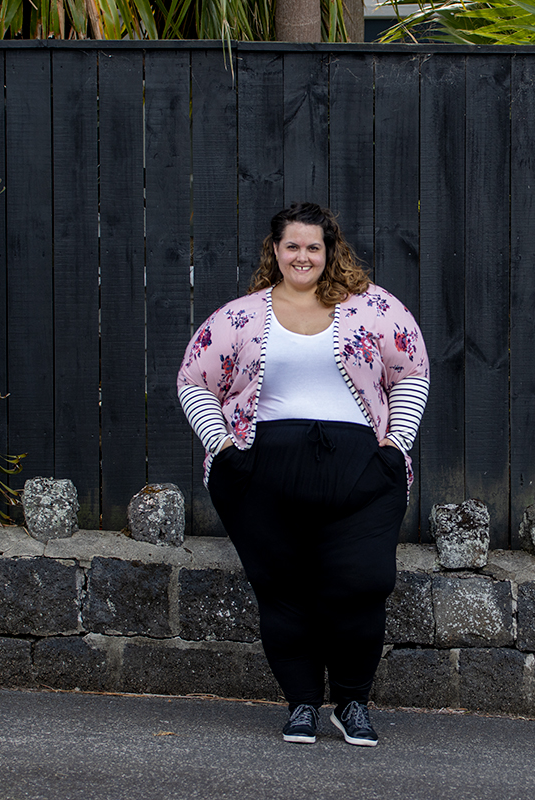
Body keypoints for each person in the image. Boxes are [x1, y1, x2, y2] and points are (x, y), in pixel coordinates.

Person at [177, 202, 429, 747]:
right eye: (292, 246)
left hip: (363, 472)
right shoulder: (240, 316)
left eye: (313, 246)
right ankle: (302, 705)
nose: (303, 256)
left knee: (364, 583)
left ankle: (352, 701)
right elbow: (192, 380)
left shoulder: (375, 307)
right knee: (282, 590)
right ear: (275, 250)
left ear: (329, 250)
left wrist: (394, 447)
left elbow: (412, 372)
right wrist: (222, 446)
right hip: (263, 474)